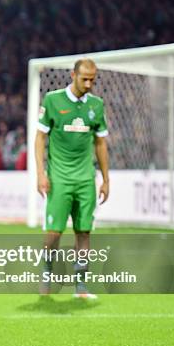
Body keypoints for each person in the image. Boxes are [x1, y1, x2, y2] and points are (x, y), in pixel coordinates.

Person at [34, 58, 110, 299]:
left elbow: (100, 142)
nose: (88, 84)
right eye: (84, 79)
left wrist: (106, 179)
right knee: (54, 232)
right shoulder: (53, 100)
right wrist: (40, 173)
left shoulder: (96, 105)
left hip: (86, 179)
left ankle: (81, 286)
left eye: (92, 80)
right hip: (60, 177)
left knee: (84, 231)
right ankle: (46, 273)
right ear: (73, 75)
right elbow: (40, 138)